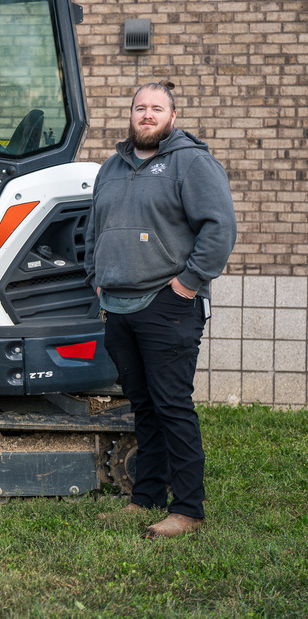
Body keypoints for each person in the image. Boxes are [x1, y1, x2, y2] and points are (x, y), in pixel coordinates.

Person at [84, 81, 237, 540]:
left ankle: (187, 508)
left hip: (167, 305)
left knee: (172, 406)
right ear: (130, 115)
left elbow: (220, 227)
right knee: (143, 406)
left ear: (172, 116)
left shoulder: (191, 162)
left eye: (156, 108)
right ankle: (146, 496)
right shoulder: (112, 167)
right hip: (118, 305)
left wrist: (186, 285)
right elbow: (95, 227)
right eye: (139, 108)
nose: (146, 115)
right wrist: (96, 274)